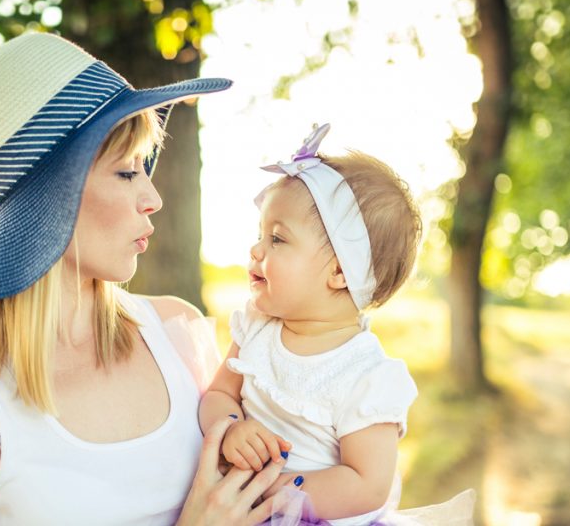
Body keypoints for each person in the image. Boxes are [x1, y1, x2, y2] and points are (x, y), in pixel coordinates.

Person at [0, 32, 287, 525]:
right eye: (126, 173)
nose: (153, 198)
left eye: (146, 167)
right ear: (53, 197)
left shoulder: (180, 335)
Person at [198, 124, 475, 525]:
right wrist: (231, 428)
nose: (256, 249)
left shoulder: (365, 375)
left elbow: (367, 484)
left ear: (339, 272)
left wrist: (278, 489)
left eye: (277, 239)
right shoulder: (258, 327)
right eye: (261, 234)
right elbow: (219, 393)